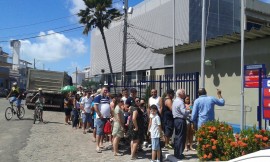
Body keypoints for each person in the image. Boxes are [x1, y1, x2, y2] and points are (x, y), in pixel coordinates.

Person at [172, 89, 190, 160]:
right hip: (180, 120)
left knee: (177, 136)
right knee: (181, 137)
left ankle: (176, 152)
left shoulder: (175, 101)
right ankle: (179, 153)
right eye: (183, 93)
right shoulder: (180, 102)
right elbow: (184, 112)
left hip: (176, 120)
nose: (184, 94)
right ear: (180, 94)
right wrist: (189, 110)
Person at [93, 86, 113, 153]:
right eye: (104, 90)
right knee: (99, 132)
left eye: (106, 90)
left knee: (103, 132)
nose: (105, 91)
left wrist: (110, 114)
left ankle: (101, 143)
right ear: (101, 90)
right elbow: (95, 106)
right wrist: (99, 114)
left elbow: (111, 105)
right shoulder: (98, 97)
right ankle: (97, 146)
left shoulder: (107, 98)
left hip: (106, 117)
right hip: (100, 117)